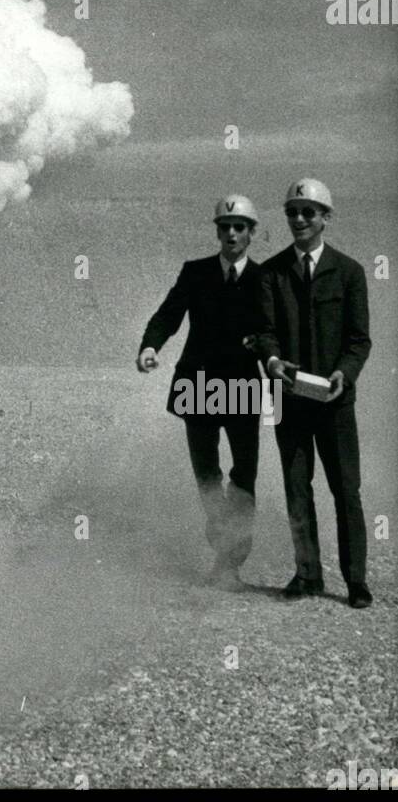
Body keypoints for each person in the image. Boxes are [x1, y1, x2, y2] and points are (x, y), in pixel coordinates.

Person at [255, 179, 372, 608]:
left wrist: (344, 373)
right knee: (296, 487)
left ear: (326, 217)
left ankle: (355, 581)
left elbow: (360, 340)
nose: (299, 219)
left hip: (335, 402)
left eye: (308, 211)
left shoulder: (350, 272)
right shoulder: (271, 273)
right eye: (292, 212)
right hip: (287, 399)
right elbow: (265, 332)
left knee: (346, 490)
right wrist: (272, 362)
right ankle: (307, 574)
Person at [137, 195, 264, 590]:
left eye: (239, 226)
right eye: (224, 226)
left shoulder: (266, 279)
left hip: (243, 387)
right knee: (207, 474)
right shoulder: (196, 273)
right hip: (200, 385)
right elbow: (168, 314)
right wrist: (149, 346)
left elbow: (280, 331)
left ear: (251, 233)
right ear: (217, 231)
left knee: (243, 475)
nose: (231, 233)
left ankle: (232, 561)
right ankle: (220, 547)